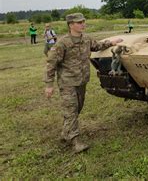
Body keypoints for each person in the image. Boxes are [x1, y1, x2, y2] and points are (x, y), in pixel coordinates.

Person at [43, 13, 123, 153]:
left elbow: (98, 46)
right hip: (67, 82)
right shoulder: (63, 43)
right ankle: (75, 141)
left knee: (77, 108)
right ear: (71, 25)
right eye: (79, 22)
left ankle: (66, 132)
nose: (83, 24)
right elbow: (51, 63)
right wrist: (49, 85)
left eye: (83, 22)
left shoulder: (86, 39)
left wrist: (112, 42)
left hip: (82, 81)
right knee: (71, 109)